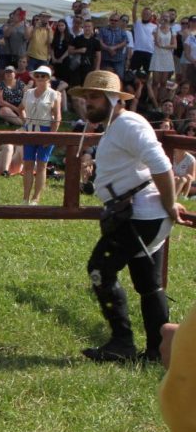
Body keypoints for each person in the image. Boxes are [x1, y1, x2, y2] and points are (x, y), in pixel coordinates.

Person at [70, 71, 189, 362]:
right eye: (86, 97)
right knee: (149, 284)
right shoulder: (117, 126)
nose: (89, 103)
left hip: (140, 216)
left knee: (100, 270)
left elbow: (161, 164)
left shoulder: (128, 124)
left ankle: (122, 343)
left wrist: (170, 203)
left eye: (95, 97)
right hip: (138, 214)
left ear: (112, 98)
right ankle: (158, 351)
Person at [20, 66, 62, 205]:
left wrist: (51, 136)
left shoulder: (54, 94)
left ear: (48, 78)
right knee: (28, 165)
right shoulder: (28, 93)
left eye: (43, 76)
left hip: (45, 129)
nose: (39, 78)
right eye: (37, 75)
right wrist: (25, 122)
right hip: (30, 129)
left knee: (42, 165)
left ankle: (36, 198)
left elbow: (57, 117)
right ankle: (25, 197)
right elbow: (21, 109)